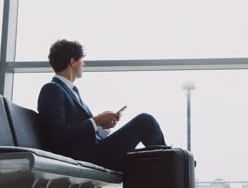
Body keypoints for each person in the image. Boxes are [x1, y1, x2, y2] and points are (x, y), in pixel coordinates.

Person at [37, 39, 166, 172]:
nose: (84, 64)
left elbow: (82, 132)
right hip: (85, 157)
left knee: (147, 156)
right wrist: (96, 121)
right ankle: (170, 164)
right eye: (82, 60)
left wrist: (102, 127)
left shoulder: (71, 91)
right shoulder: (52, 89)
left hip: (93, 152)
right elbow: (59, 135)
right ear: (73, 62)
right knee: (145, 121)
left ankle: (167, 165)